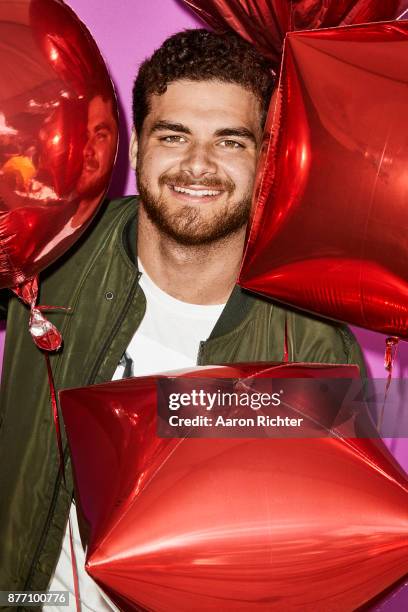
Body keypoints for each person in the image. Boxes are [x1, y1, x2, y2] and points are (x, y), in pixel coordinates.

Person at [0, 29, 365, 610]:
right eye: (174, 136)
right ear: (139, 150)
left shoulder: (315, 345)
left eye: (231, 142)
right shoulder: (52, 249)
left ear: (266, 160)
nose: (199, 166)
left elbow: (319, 553)